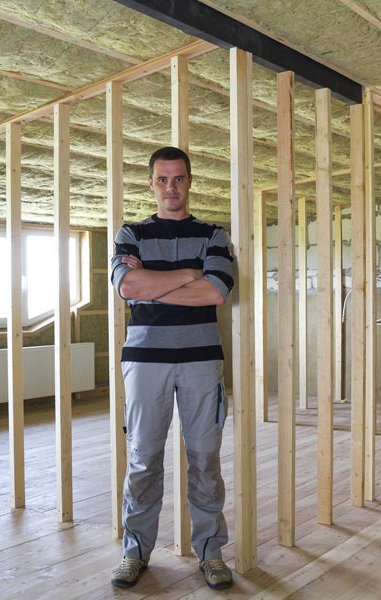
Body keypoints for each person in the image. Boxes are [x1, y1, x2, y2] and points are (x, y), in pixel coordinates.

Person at [109, 146, 234, 590]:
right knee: (143, 460)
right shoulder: (131, 234)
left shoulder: (214, 235)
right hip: (145, 363)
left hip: (201, 361)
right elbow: (128, 285)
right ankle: (134, 552)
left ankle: (210, 552)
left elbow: (216, 292)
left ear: (190, 181)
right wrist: (188, 274)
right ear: (151, 183)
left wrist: (157, 284)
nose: (171, 187)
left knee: (205, 460)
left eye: (178, 178)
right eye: (162, 179)